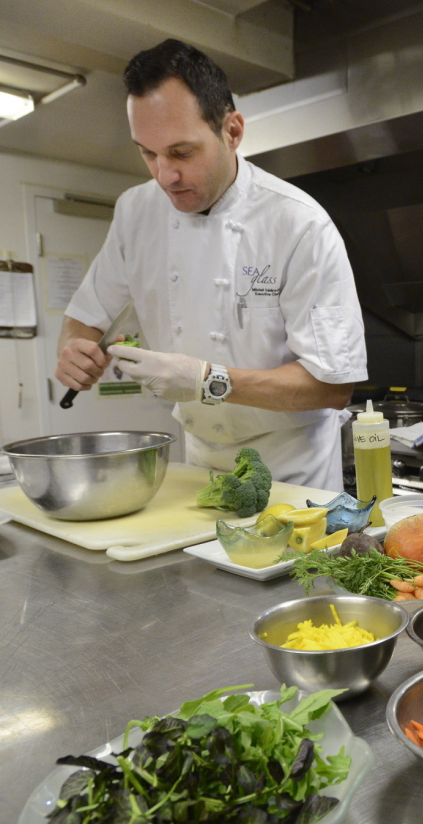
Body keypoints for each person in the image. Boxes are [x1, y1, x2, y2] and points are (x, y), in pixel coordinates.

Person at [54, 39, 367, 491]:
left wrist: (206, 380)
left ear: (233, 131)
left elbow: (331, 386)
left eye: (182, 153)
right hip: (198, 463)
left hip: (293, 470)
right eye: (147, 152)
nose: (164, 175)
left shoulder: (298, 224)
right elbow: (84, 318)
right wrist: (74, 351)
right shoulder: (135, 211)